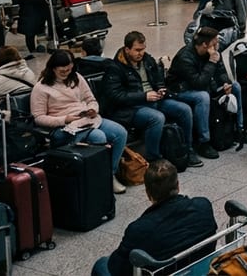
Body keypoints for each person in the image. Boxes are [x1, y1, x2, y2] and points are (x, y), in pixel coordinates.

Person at [92, 160, 216, 276]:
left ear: (148, 193)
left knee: (102, 265)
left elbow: (117, 268)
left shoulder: (139, 229)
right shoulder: (203, 205)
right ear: (178, 186)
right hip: (201, 269)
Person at [30, 50, 128, 194]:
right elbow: (38, 117)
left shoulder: (76, 78)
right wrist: (64, 119)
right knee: (98, 137)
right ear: (53, 68)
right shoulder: (41, 88)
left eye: (69, 69)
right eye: (62, 70)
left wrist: (93, 109)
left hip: (87, 118)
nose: (66, 73)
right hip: (65, 126)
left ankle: (109, 174)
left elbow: (91, 100)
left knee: (120, 132)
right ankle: (98, 178)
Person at [100, 31, 201, 168]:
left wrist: (160, 88)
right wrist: (144, 96)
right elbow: (116, 96)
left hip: (154, 99)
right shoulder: (115, 68)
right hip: (131, 107)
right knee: (156, 118)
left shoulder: (147, 60)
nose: (140, 53)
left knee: (184, 109)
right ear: (127, 49)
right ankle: (153, 158)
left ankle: (187, 149)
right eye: (137, 50)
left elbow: (159, 79)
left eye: (143, 49)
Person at [165, 27, 247, 159]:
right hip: (180, 90)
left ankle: (239, 129)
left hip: (205, 85)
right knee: (203, 97)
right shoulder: (185, 57)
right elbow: (198, 83)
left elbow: (222, 71)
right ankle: (204, 141)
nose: (217, 46)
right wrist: (212, 61)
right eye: (214, 44)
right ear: (204, 45)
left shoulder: (212, 52)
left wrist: (225, 83)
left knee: (235, 86)